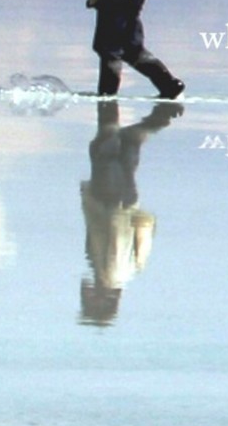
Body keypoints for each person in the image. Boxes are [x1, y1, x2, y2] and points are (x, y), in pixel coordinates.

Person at [79, 98, 184, 325]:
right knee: (103, 151)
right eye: (88, 303)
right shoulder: (110, 274)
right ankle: (149, 110)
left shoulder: (127, 274)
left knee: (127, 148)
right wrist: (111, 209)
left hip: (126, 204)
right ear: (102, 301)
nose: (84, 299)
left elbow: (144, 232)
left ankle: (162, 115)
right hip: (110, 203)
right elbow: (114, 237)